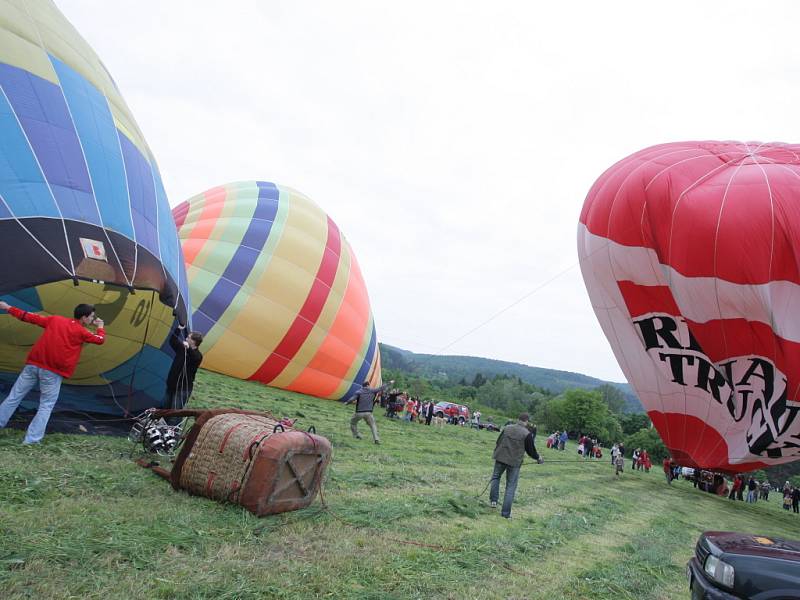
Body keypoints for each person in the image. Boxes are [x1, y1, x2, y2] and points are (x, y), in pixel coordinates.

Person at [0, 301, 105, 444]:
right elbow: (100, 340)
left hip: (33, 365)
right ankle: (31, 440)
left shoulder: (55, 320)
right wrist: (100, 327)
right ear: (84, 318)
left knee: (14, 397)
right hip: (52, 372)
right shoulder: (82, 332)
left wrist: (8, 307)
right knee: (46, 405)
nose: (93, 319)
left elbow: (28, 317)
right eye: (92, 317)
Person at [488, 412, 542, 519]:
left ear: (518, 419)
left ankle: (493, 501)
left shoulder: (507, 428)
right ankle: (505, 514)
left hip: (500, 457)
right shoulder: (527, 434)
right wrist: (538, 458)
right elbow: (531, 451)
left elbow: (498, 441)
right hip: (514, 462)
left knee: (495, 478)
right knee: (511, 486)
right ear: (526, 421)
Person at [164, 327, 203, 415]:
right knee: (165, 411)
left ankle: (173, 429)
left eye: (188, 337)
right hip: (171, 385)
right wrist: (178, 329)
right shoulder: (182, 349)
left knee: (176, 414)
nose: (186, 339)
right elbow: (172, 341)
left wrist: (188, 348)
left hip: (182, 389)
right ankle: (162, 428)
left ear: (193, 341)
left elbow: (194, 356)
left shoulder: (198, 356)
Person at [345, 379, 393, 444]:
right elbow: (382, 387)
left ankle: (357, 435)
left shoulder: (359, 391)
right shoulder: (373, 390)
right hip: (368, 412)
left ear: (362, 386)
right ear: (368, 385)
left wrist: (347, 403)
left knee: (353, 423)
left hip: (359, 412)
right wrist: (389, 382)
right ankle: (376, 439)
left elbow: (352, 399)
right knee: (373, 425)